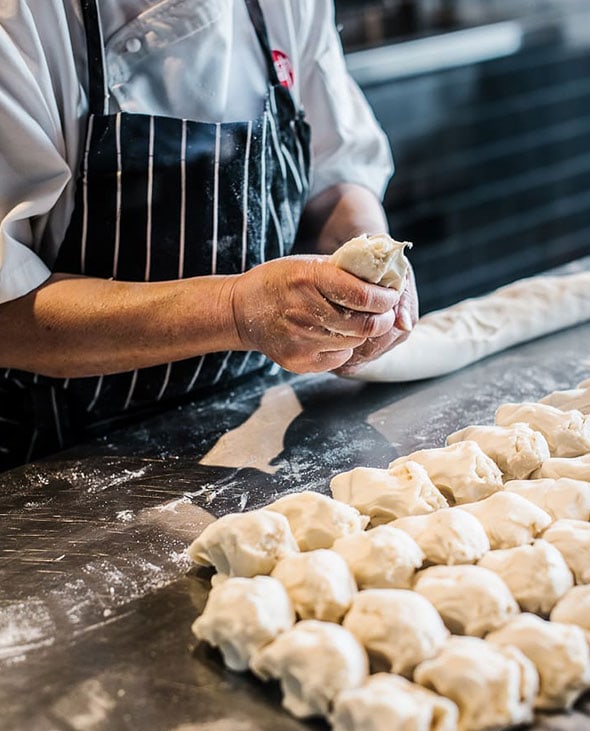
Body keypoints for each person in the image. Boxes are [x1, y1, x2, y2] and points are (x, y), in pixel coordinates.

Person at [0, 0, 418, 471]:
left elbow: (337, 172)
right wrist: (235, 310)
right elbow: (7, 312)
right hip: (60, 457)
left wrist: (368, 268)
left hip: (259, 420)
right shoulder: (19, 20)